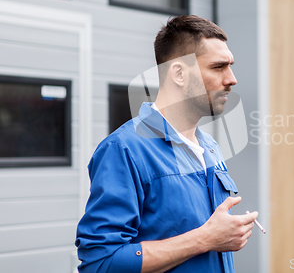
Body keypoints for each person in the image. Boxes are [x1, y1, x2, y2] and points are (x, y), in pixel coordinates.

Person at [75, 15, 258, 273]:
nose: (232, 79)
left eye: (231, 66)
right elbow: (101, 263)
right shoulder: (125, 150)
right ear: (179, 73)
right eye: (218, 67)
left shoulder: (210, 147)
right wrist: (205, 238)